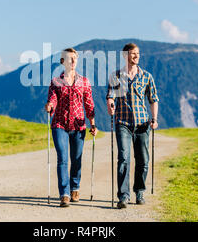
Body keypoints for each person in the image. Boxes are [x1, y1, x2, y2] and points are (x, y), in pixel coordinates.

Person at [106, 42, 159, 209]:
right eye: (133, 53)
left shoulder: (146, 76)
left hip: (143, 124)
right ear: (125, 56)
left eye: (138, 53)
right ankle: (123, 196)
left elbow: (153, 99)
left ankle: (140, 191)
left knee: (143, 160)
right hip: (122, 122)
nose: (136, 56)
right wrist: (110, 104)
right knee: (123, 158)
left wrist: (154, 118)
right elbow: (110, 95)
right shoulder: (115, 76)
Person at [45, 48, 98, 207]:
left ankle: (75, 187)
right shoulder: (55, 81)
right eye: (69, 59)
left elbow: (89, 105)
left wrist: (93, 124)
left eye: (75, 58)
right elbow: (53, 99)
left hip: (78, 125)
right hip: (59, 124)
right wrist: (49, 106)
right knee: (62, 159)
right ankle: (65, 194)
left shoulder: (84, 81)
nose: (73, 61)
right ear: (63, 62)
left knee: (76, 159)